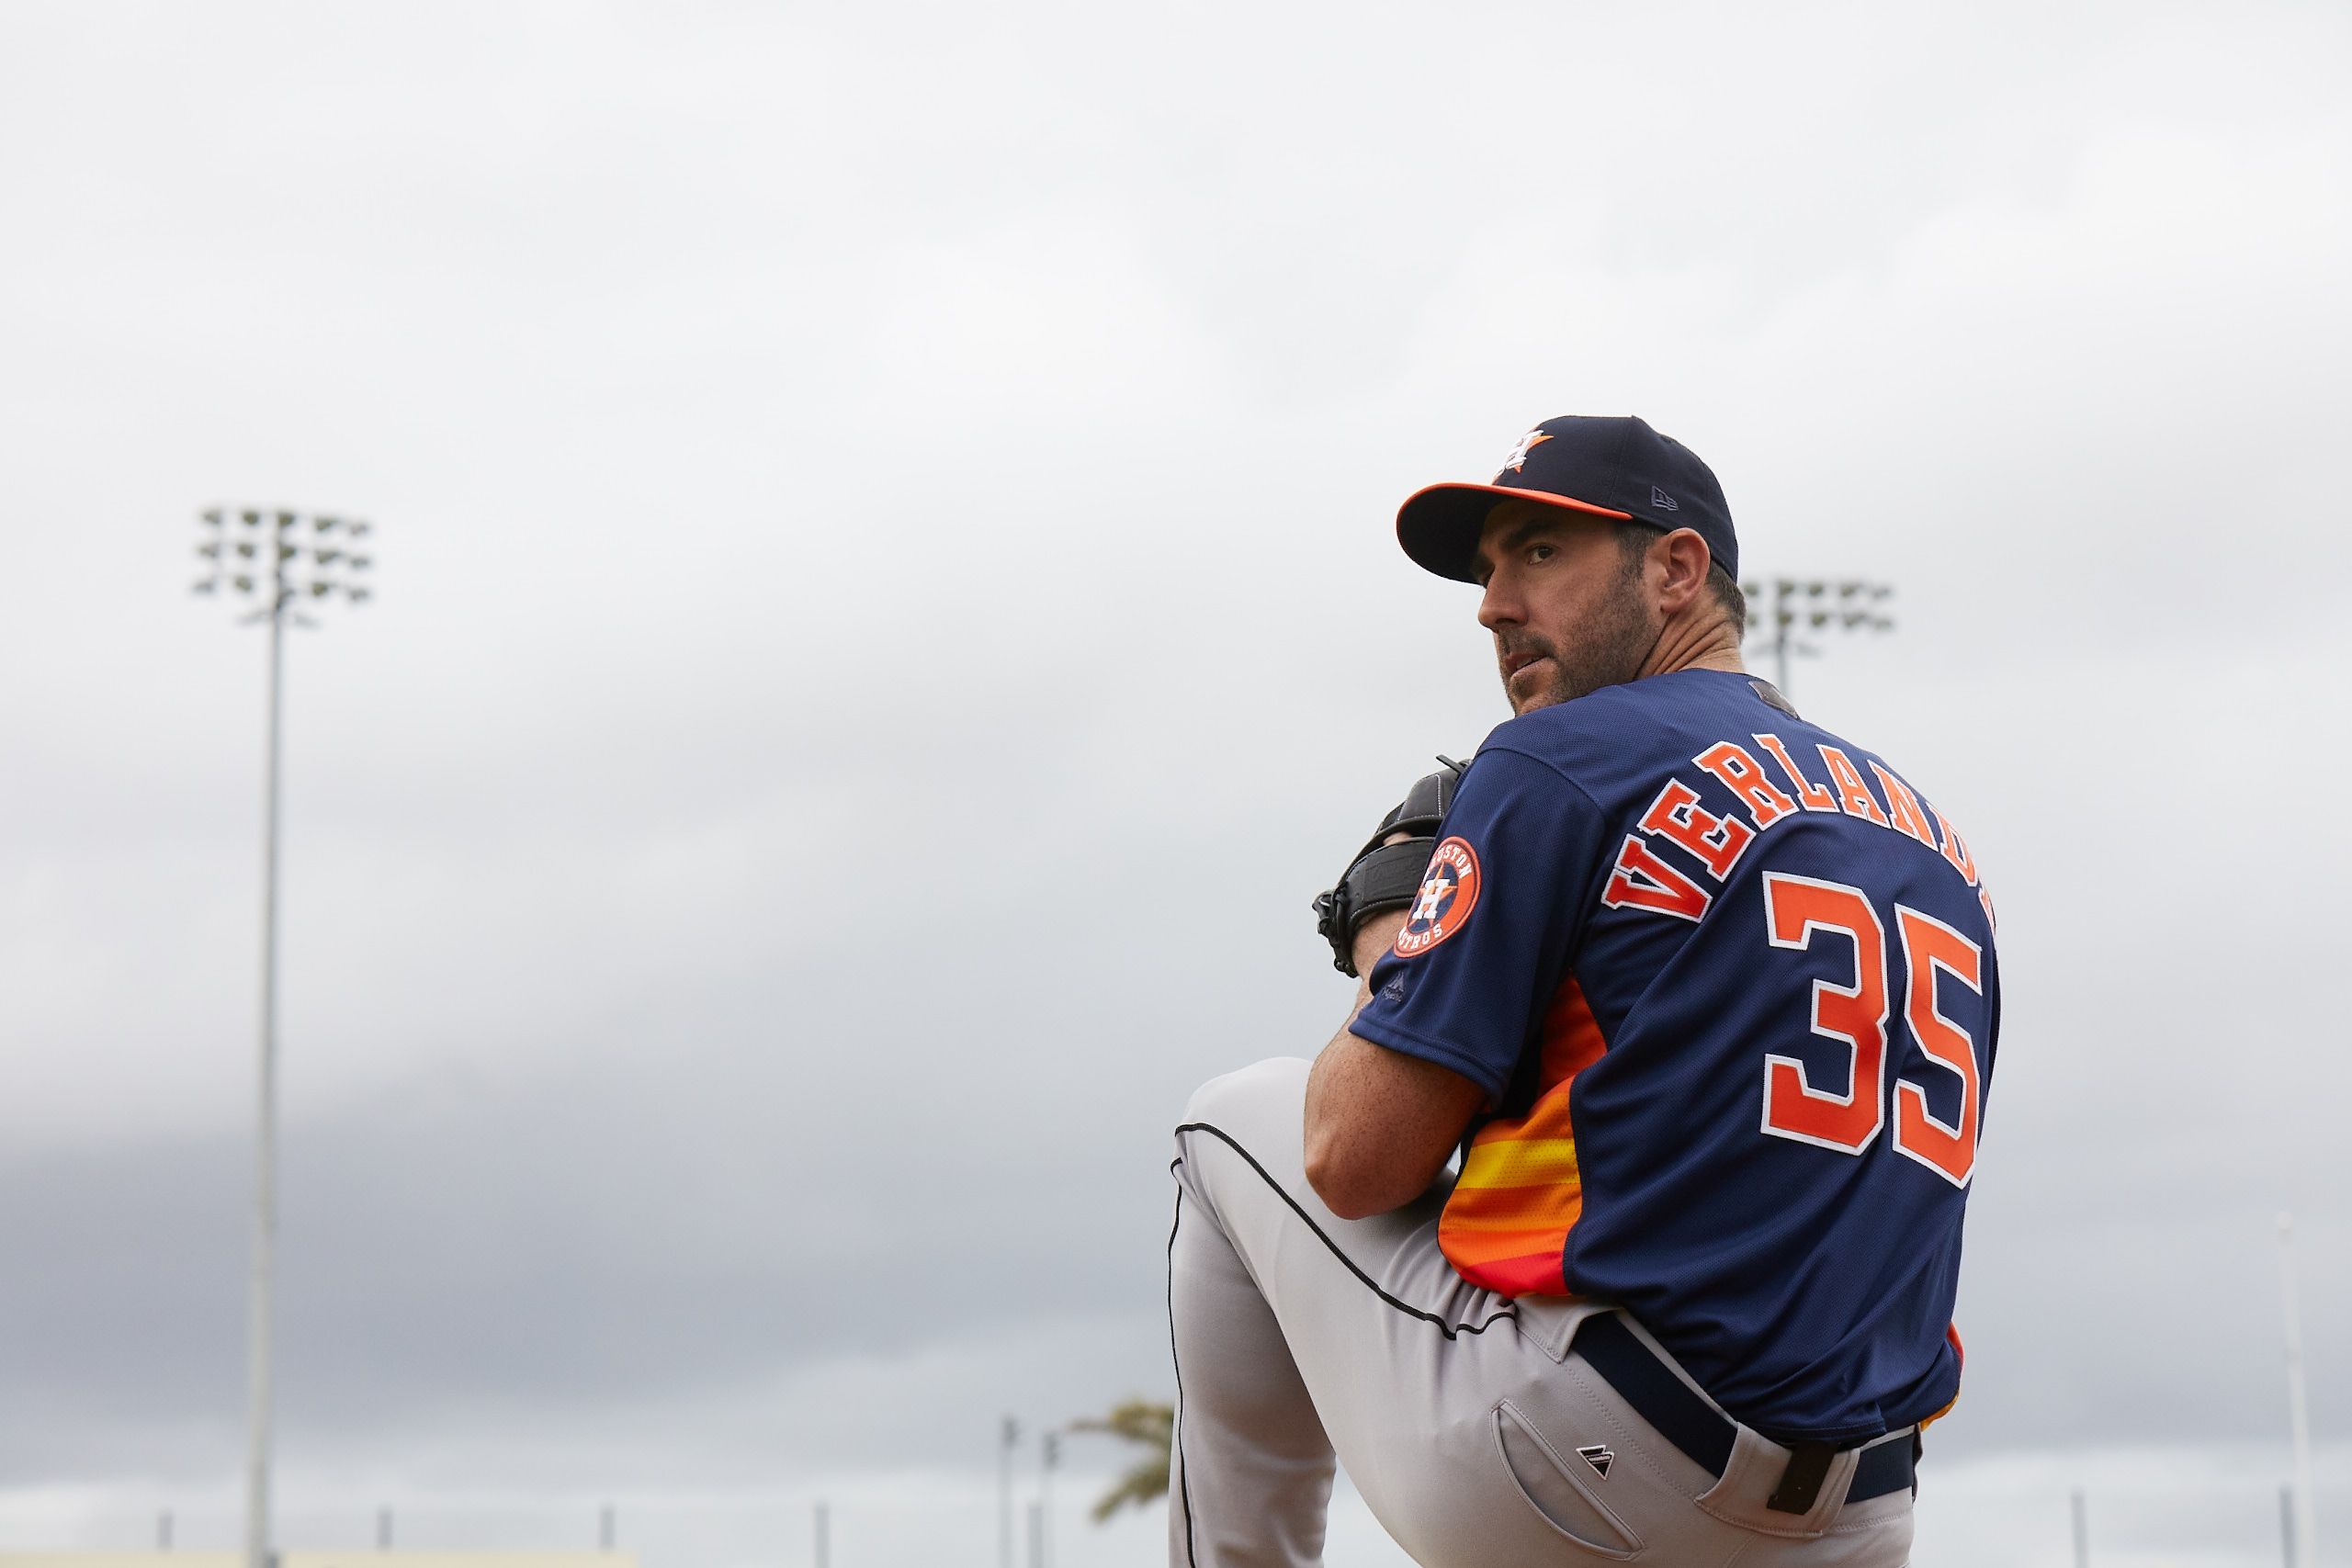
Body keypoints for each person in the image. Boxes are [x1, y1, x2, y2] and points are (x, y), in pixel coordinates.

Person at [1167, 415, 1998, 1567]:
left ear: (1675, 568)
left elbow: (1353, 1162)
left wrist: (1391, 950)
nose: (1493, 604)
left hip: (1593, 1462)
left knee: (1230, 1122)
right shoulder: (1932, 842)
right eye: (1490, 568)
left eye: (1540, 553)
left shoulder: (1562, 757)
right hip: (1861, 1514)